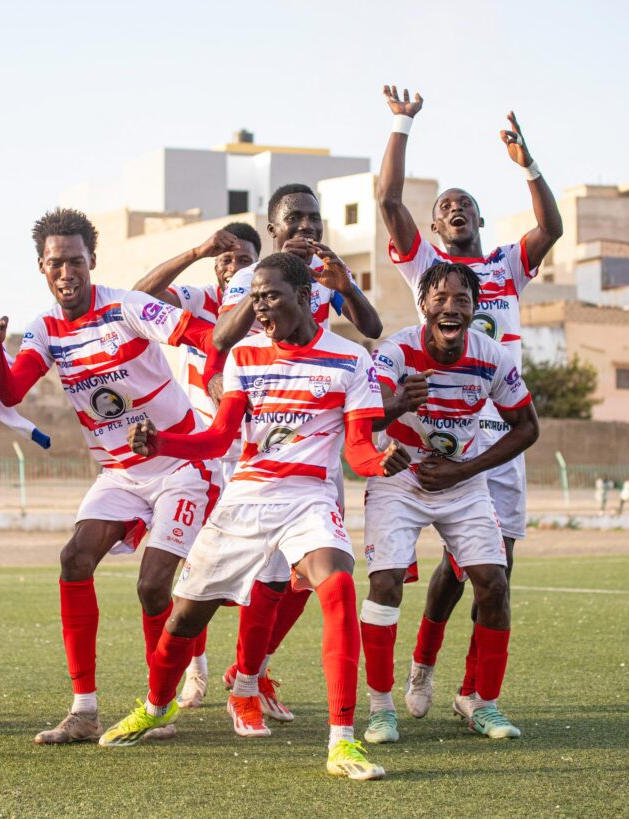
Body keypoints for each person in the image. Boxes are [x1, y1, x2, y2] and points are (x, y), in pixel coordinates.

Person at [98, 252, 409, 783]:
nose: (259, 308)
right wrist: (162, 443)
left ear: (305, 297)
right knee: (183, 620)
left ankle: (342, 740)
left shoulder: (350, 359)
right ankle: (156, 707)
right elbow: (219, 437)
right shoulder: (243, 355)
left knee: (337, 585)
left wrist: (379, 462)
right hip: (245, 497)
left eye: (269, 297)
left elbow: (357, 448)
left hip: (309, 498)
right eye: (254, 298)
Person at [0, 207, 223, 745]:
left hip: (180, 465)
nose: (66, 273)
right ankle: (84, 710)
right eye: (55, 264)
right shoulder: (44, 328)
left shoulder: (127, 306)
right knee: (74, 559)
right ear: (42, 268)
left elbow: (202, 335)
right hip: (120, 473)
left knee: (153, 586)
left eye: (75, 261)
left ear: (92, 260)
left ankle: (159, 706)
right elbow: (12, 390)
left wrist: (220, 380)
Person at [377, 86, 562, 721]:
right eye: (446, 206)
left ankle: (474, 695)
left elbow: (552, 228)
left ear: (480, 222)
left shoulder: (506, 267)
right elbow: (388, 200)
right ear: (434, 228)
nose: (456, 209)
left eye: (467, 205)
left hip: (499, 436)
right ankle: (422, 665)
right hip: (440, 430)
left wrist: (529, 166)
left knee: (496, 571)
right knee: (452, 573)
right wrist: (402, 123)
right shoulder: (427, 267)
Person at [210, 185, 385, 730]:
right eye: (295, 219)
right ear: (273, 228)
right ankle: (238, 681)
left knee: (309, 577)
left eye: (314, 218)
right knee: (261, 576)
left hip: (317, 442)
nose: (307, 227)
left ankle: (254, 670)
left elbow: (371, 329)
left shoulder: (325, 276)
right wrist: (261, 290)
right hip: (260, 438)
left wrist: (344, 284)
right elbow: (221, 339)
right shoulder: (251, 278)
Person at [360, 262, 539, 745]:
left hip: (462, 480)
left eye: (462, 300)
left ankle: (482, 703)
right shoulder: (396, 350)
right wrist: (398, 403)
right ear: (424, 306)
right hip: (401, 477)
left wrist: (464, 470)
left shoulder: (492, 356)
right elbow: (365, 413)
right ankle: (380, 709)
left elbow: (528, 426)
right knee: (385, 584)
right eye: (440, 298)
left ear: (475, 309)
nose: (451, 308)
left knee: (493, 583)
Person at [130, 221, 262, 708]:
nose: (234, 266)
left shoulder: (267, 309)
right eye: (226, 259)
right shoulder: (200, 300)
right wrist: (196, 251)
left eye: (244, 259)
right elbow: (139, 296)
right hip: (198, 454)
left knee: (265, 575)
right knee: (191, 567)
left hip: (252, 454)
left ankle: (252, 673)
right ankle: (196, 665)